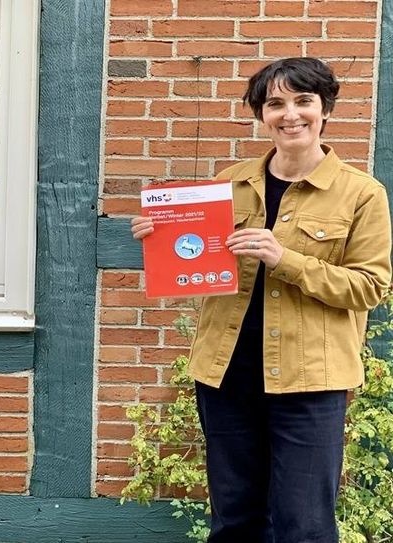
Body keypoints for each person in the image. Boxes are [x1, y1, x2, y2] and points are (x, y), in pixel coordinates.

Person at [132, 57, 392, 542]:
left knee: (305, 527)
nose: (290, 114)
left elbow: (370, 286)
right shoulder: (228, 182)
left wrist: (286, 259)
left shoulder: (361, 194)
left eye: (303, 101)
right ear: (261, 115)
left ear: (325, 110)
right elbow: (197, 262)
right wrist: (158, 239)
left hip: (309, 381)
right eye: (275, 103)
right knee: (235, 521)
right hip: (226, 374)